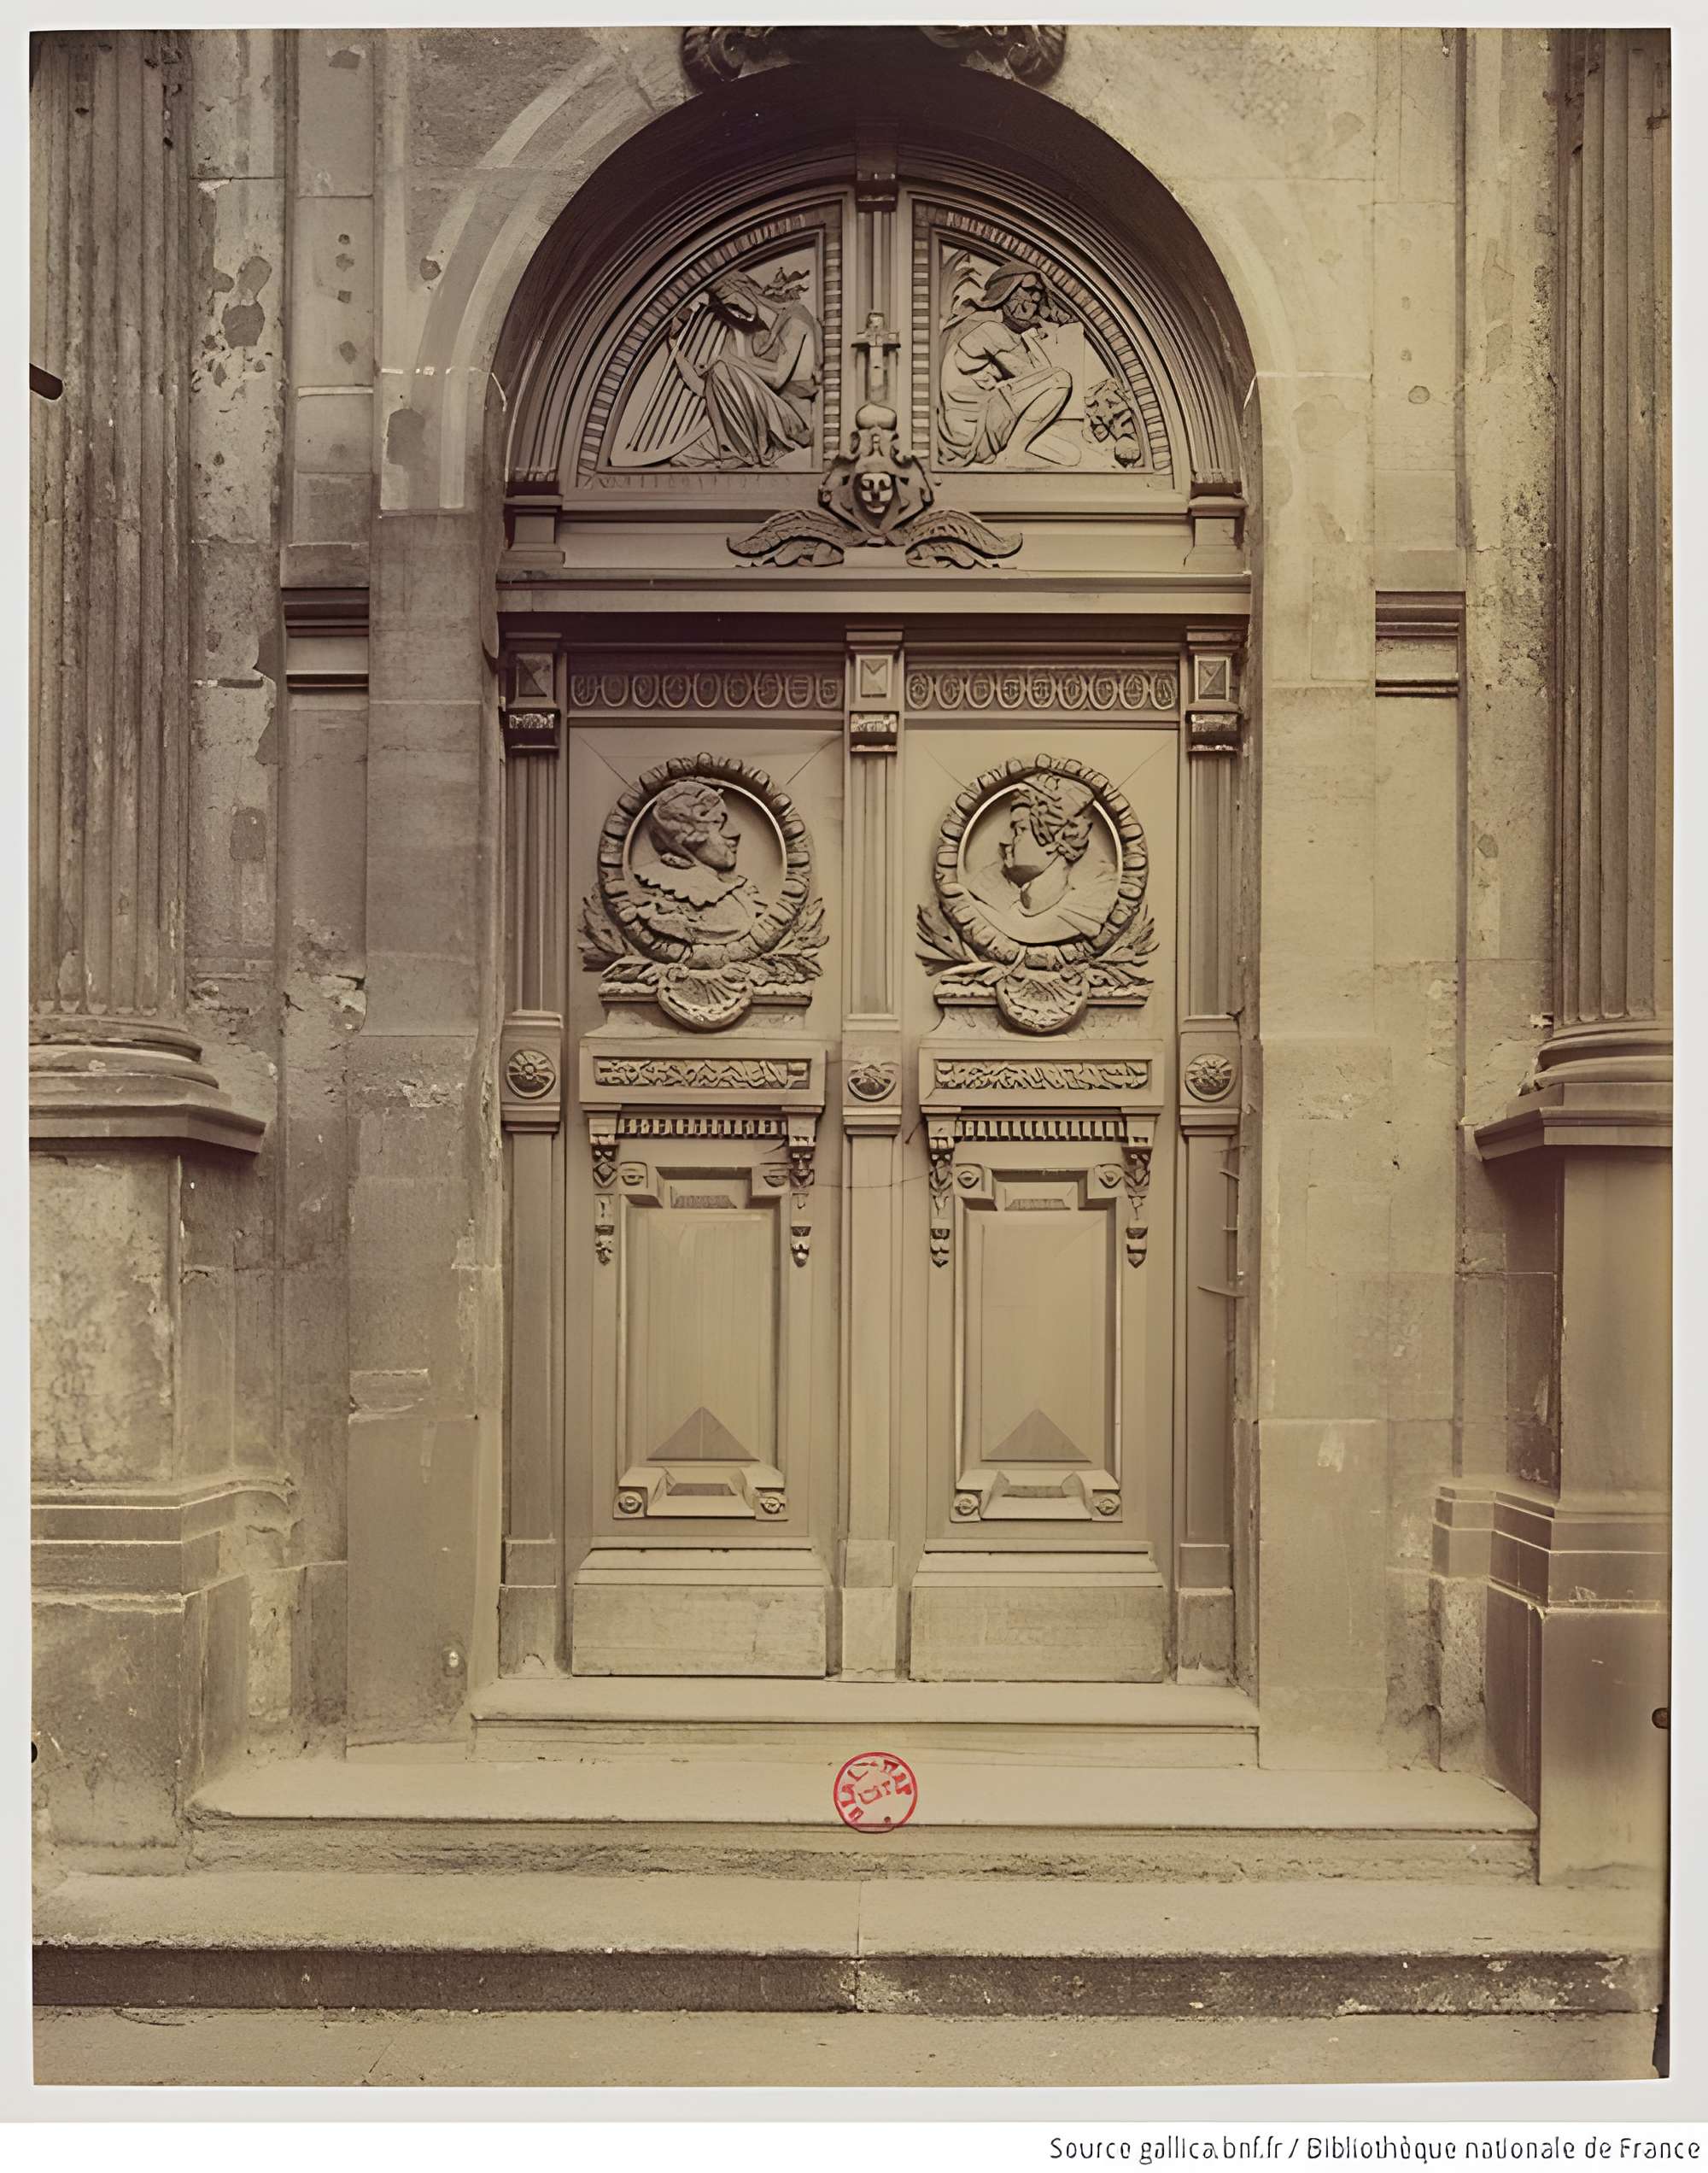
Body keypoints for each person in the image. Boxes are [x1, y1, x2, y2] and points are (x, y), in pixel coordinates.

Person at [670, 269, 821, 469]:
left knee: (723, 368)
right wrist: (675, 349)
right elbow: (706, 389)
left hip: (788, 423)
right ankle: (736, 448)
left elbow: (777, 377)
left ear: (747, 293)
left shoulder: (796, 320)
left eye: (733, 302)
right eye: (724, 306)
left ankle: (742, 451)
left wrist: (734, 362)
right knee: (682, 459)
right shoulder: (744, 336)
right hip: (750, 418)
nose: (731, 311)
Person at [938, 262, 1079, 470]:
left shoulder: (980, 324)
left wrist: (1029, 333)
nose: (1036, 299)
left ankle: (1016, 448)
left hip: (978, 431)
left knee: (1071, 456)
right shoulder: (990, 329)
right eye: (1029, 290)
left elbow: (1036, 383)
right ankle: (1014, 454)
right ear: (1005, 292)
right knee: (1060, 379)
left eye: (1039, 293)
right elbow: (1046, 380)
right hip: (975, 434)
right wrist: (1032, 332)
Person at [972, 774, 1115, 942]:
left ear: (1055, 841)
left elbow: (1028, 931)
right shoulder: (989, 888)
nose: (1005, 840)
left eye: (1019, 829)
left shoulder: (1088, 910)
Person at [629, 780, 763, 946]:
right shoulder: (660, 889)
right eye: (717, 823)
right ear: (687, 833)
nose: (734, 833)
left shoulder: (736, 889)